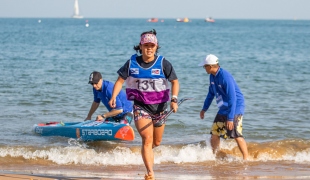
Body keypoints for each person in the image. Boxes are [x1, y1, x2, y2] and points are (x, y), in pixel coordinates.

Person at [108, 29, 179, 180]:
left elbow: (174, 81)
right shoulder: (131, 63)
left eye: (152, 45)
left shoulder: (163, 63)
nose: (149, 48)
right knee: (147, 139)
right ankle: (150, 172)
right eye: (146, 45)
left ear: (156, 46)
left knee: (156, 142)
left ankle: (147, 154)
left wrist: (174, 99)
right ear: (140, 46)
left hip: (160, 108)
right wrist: (113, 96)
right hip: (141, 107)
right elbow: (120, 81)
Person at [198, 54, 248, 160]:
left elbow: (232, 99)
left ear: (211, 66)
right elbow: (211, 93)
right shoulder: (212, 76)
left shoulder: (225, 77)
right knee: (214, 132)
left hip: (235, 107)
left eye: (205, 66)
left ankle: (246, 158)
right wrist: (204, 109)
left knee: (236, 134)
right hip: (223, 108)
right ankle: (216, 156)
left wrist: (230, 118)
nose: (204, 68)